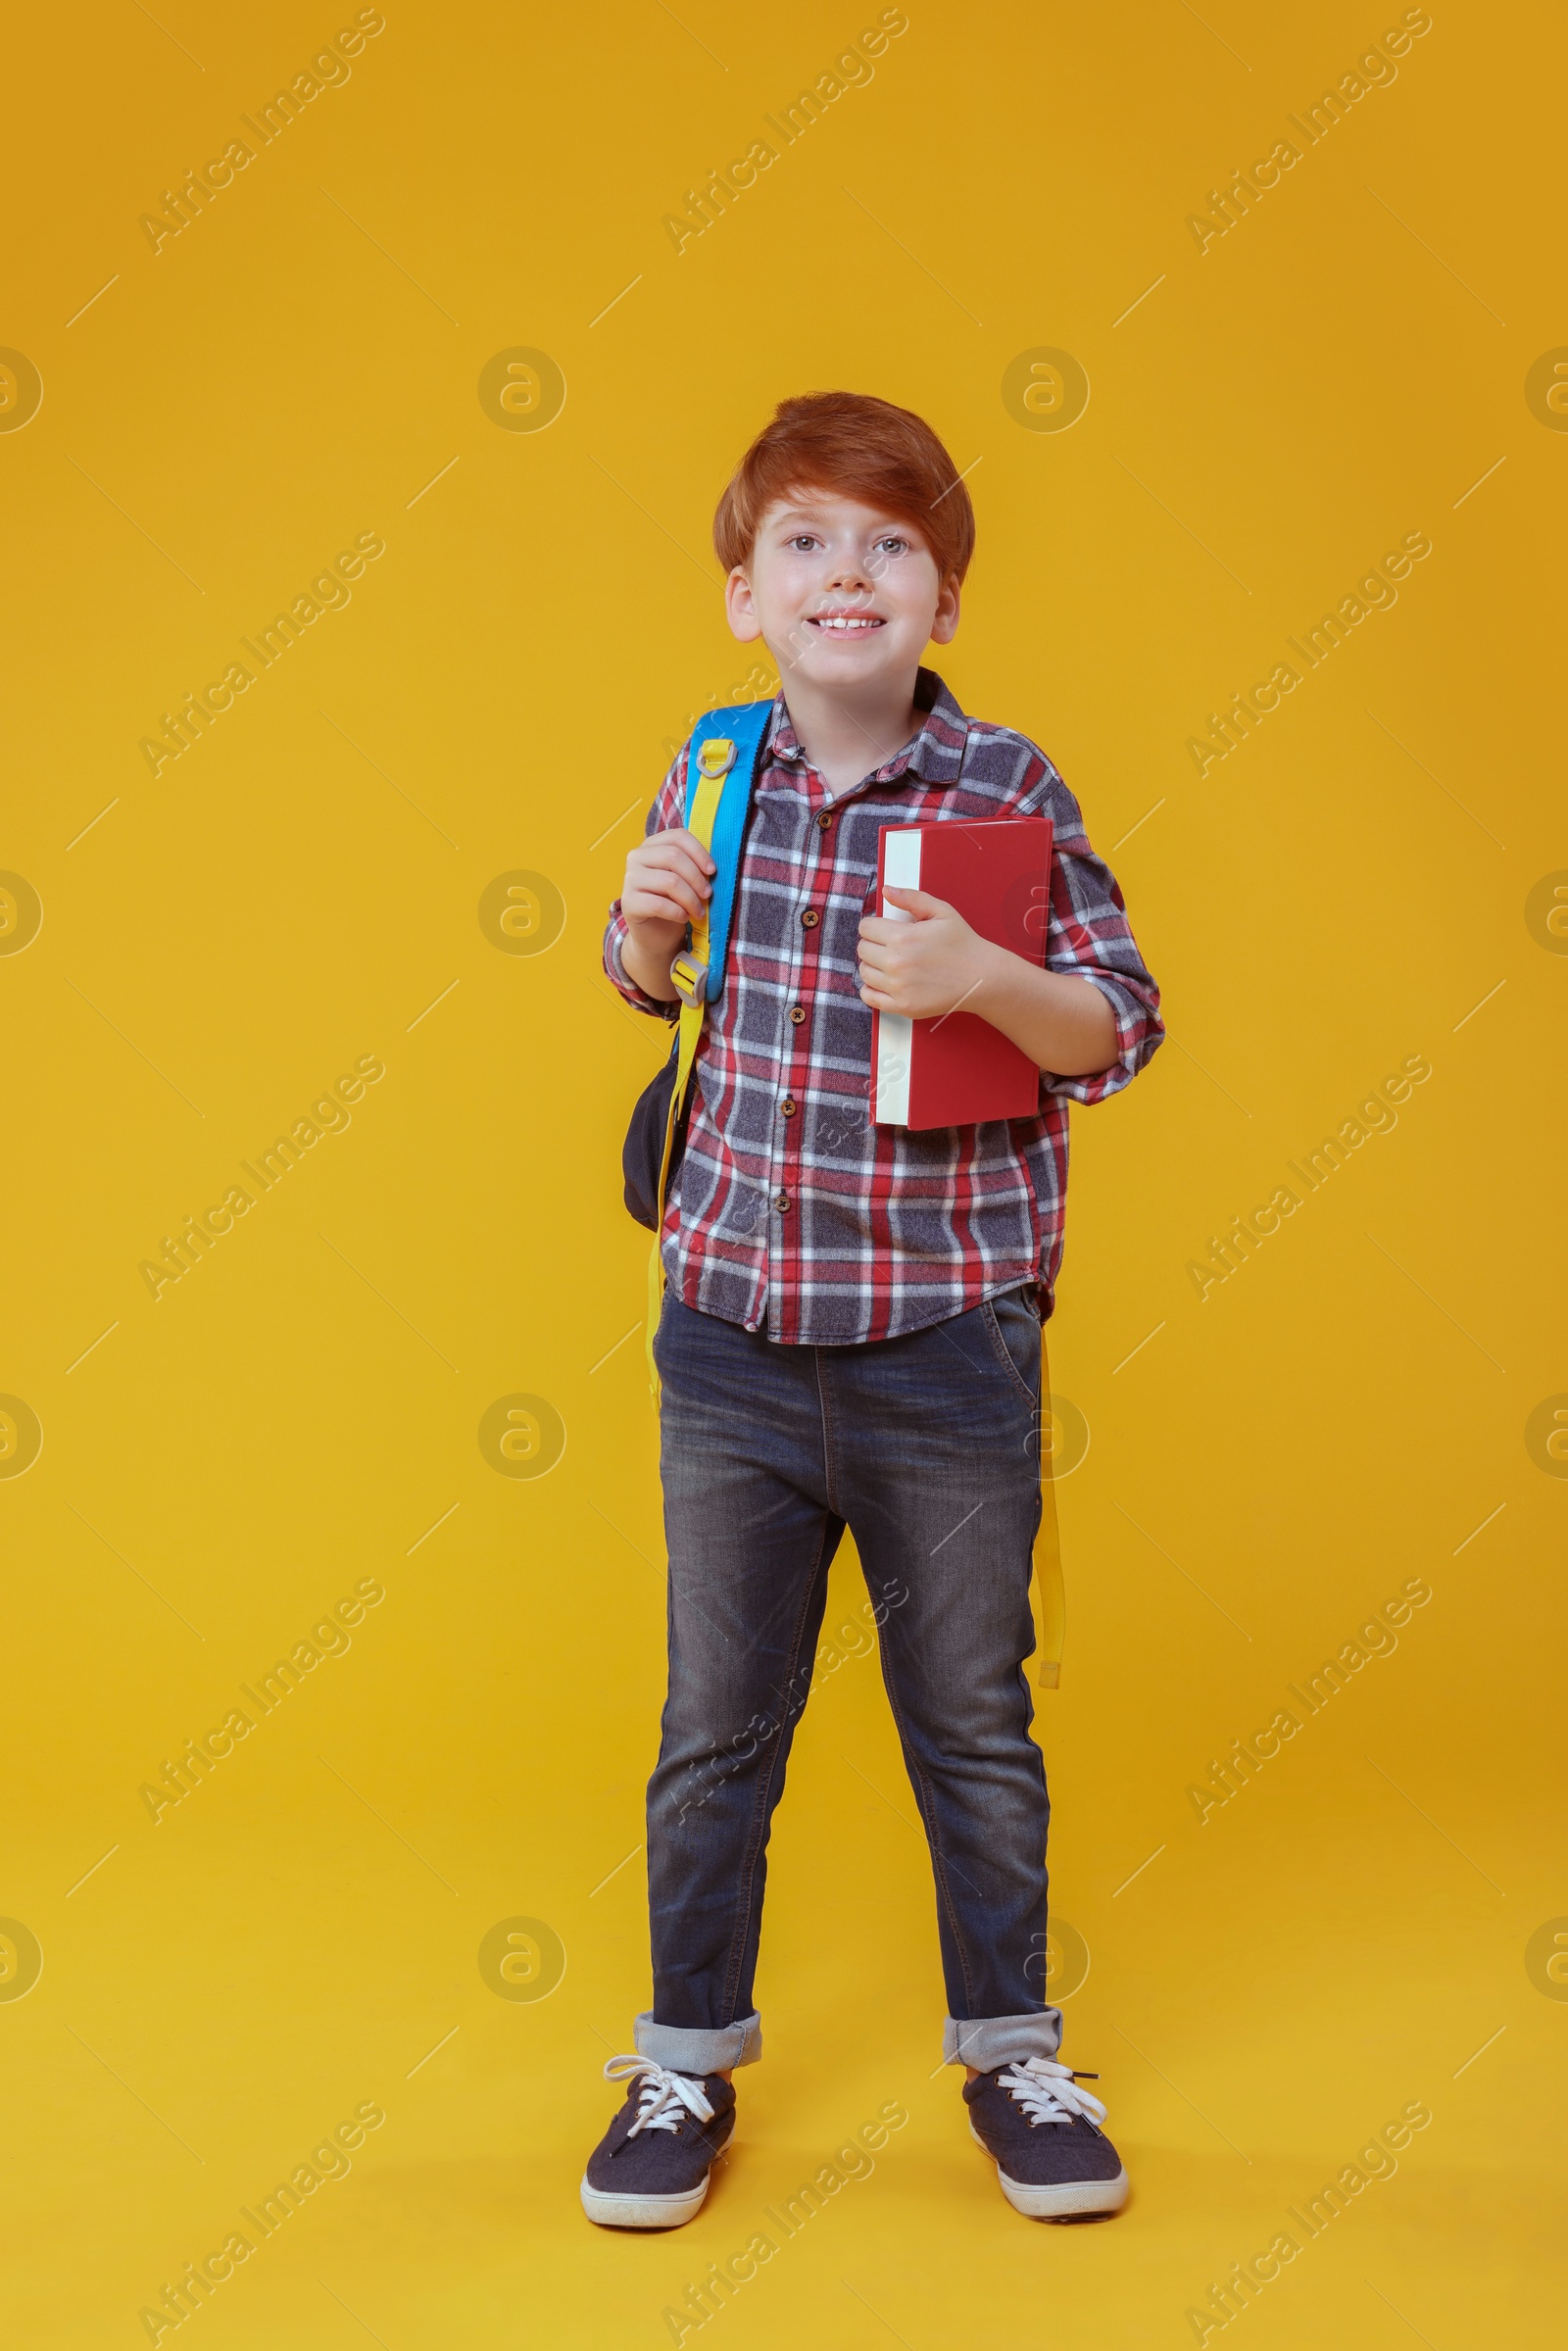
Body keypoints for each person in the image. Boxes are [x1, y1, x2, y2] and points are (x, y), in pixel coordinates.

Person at [584, 391, 1163, 2229]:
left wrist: (990, 971)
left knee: (969, 1717)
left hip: (943, 1348)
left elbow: (1122, 1029)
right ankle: (685, 2058)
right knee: (715, 1727)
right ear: (743, 595)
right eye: (809, 543)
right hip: (735, 1340)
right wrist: (640, 926)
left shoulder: (1009, 790)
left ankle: (1012, 2051)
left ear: (947, 599)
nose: (853, 572)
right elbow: (663, 993)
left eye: (894, 542)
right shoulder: (712, 769)